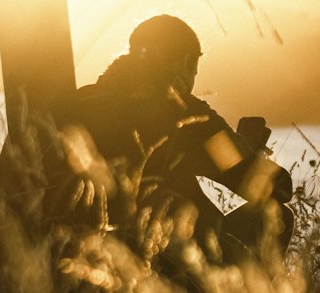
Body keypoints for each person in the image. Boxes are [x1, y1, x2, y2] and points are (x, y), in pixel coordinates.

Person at [50, 15, 294, 265]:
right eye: (194, 71)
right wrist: (249, 151)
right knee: (278, 217)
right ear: (185, 63)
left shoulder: (82, 102)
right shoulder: (190, 118)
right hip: (163, 255)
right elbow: (277, 187)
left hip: (73, 251)